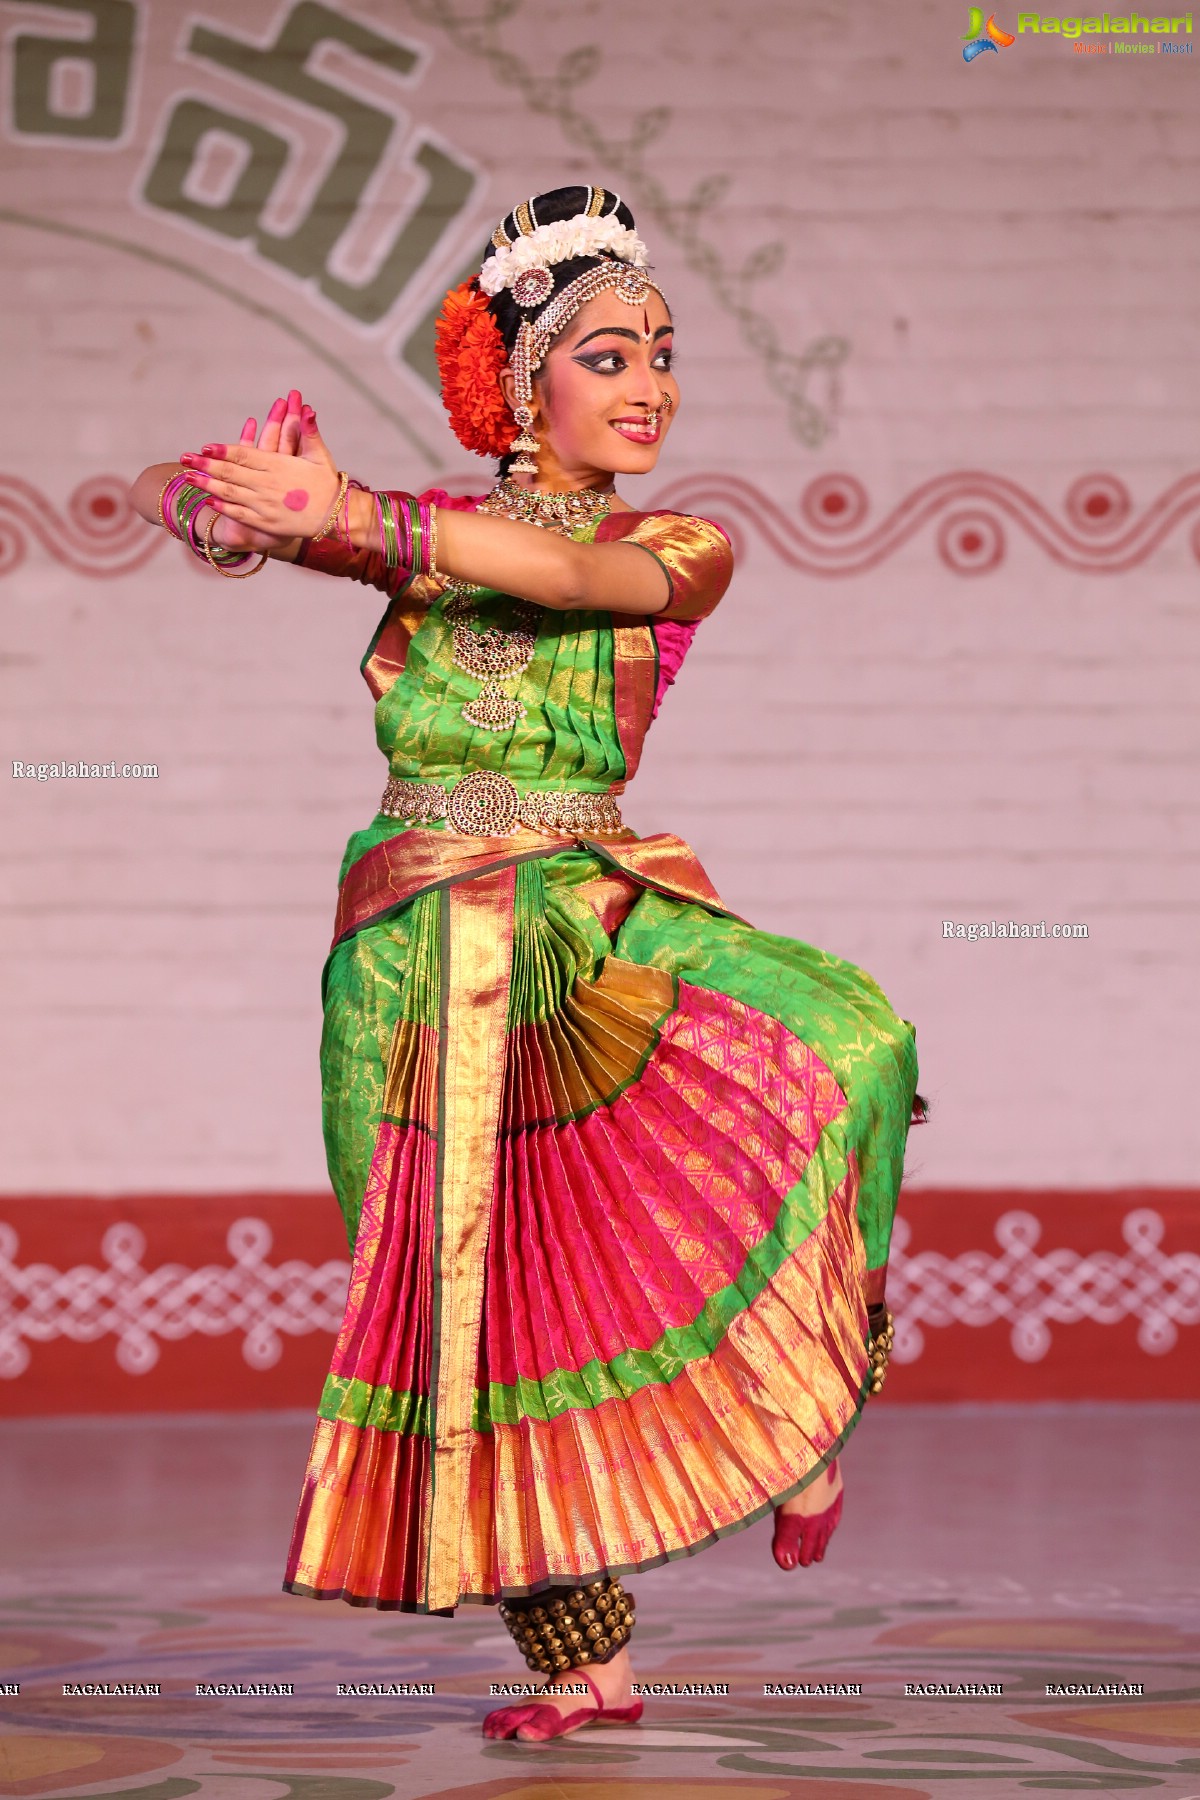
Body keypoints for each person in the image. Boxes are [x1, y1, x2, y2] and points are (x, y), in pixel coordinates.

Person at [128, 184, 925, 1743]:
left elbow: (558, 580)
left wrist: (349, 516)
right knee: (457, 1309)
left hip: (586, 930)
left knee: (855, 1041)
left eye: (664, 356)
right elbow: (175, 495)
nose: (654, 388)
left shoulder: (675, 546)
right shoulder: (418, 537)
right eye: (613, 356)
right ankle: (584, 1662)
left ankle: (814, 1399)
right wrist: (224, 496)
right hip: (407, 949)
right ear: (523, 383)